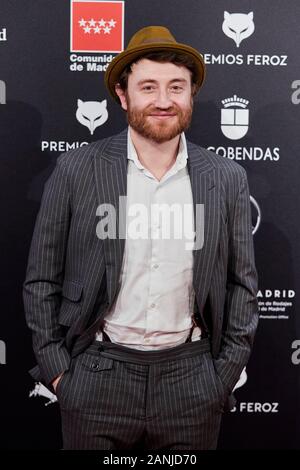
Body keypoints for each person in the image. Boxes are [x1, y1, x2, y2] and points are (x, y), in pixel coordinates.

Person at [23, 25, 259, 450]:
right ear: (123, 94)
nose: (164, 101)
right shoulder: (77, 169)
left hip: (191, 377)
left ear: (192, 95)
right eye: (148, 86)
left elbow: (241, 284)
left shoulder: (226, 178)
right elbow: (42, 279)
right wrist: (60, 372)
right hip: (96, 374)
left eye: (177, 87)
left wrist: (222, 375)